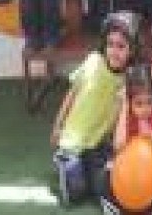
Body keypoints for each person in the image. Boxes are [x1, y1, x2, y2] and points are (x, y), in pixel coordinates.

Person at [51, 11, 141, 205]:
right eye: (110, 44)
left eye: (121, 46)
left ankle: (83, 168)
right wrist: (57, 126)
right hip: (72, 141)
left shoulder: (129, 79)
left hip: (97, 145)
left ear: (132, 50)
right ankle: (64, 161)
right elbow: (72, 93)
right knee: (74, 194)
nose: (114, 51)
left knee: (102, 187)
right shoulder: (93, 61)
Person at [103, 63, 152, 214]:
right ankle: (119, 207)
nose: (145, 109)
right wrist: (124, 106)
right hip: (127, 179)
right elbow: (118, 146)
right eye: (138, 103)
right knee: (103, 178)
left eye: (150, 102)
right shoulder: (127, 118)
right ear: (130, 102)